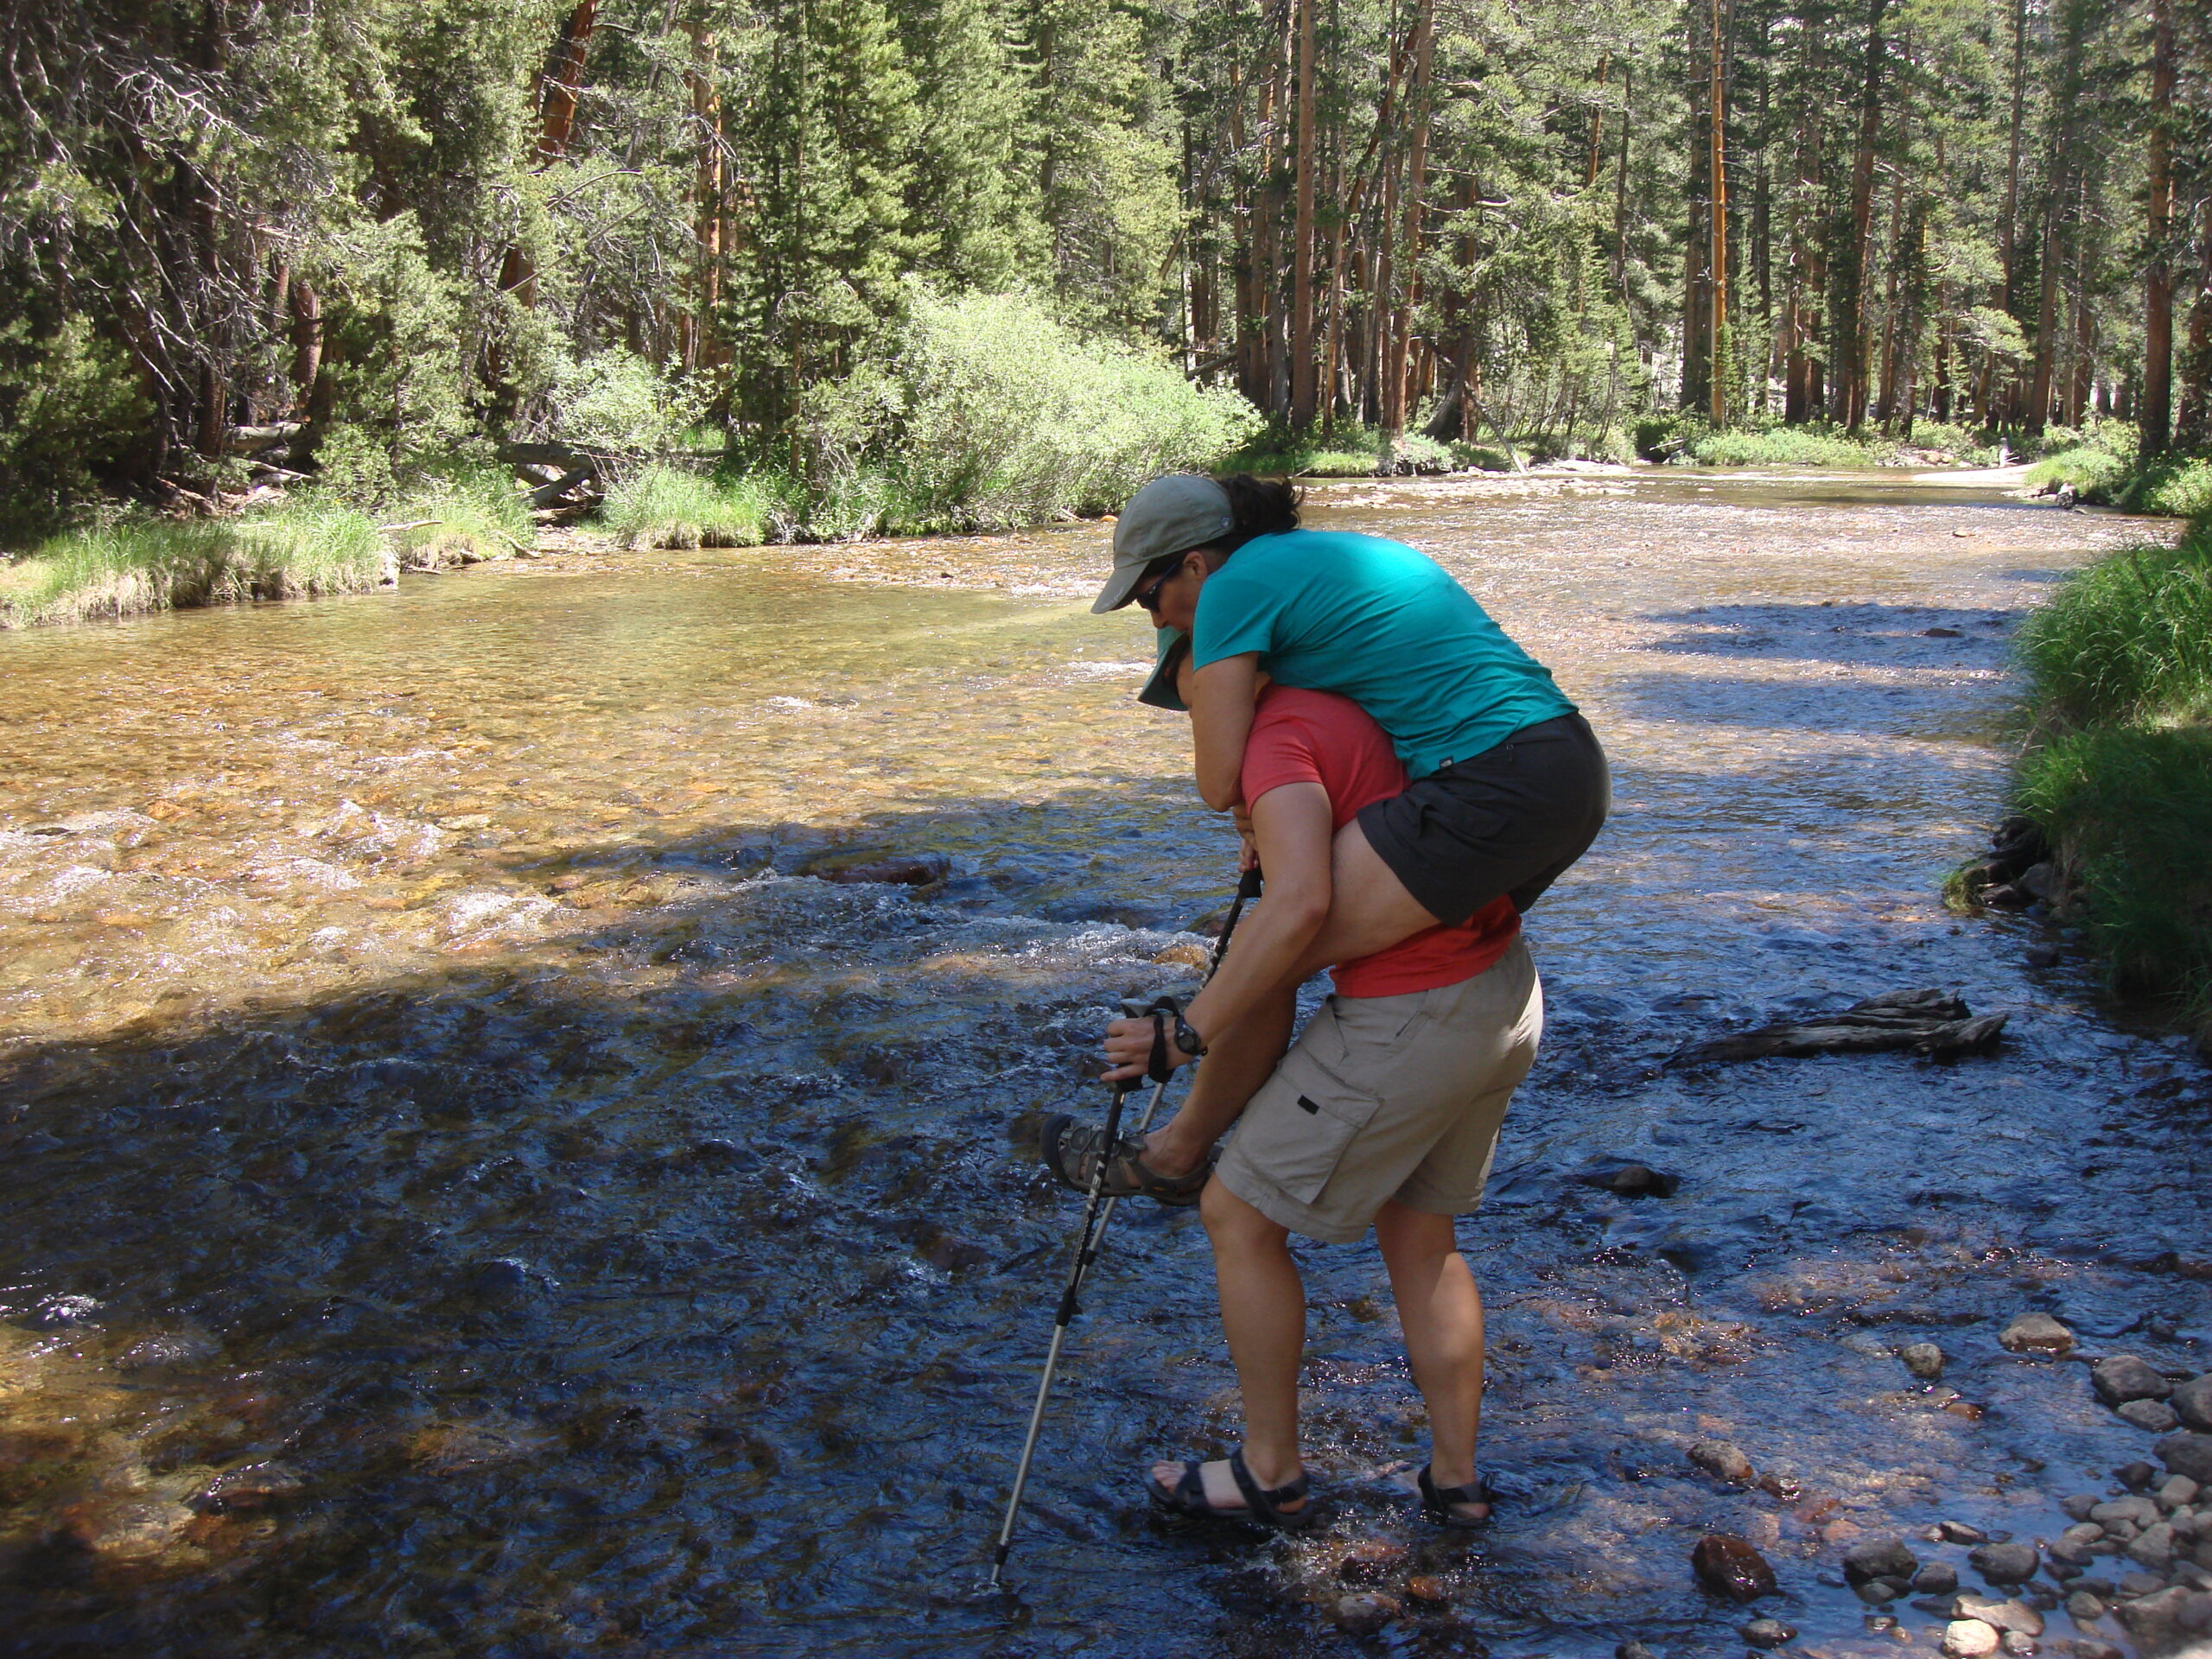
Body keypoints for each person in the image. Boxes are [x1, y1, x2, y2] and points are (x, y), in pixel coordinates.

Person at [1046, 638, 1541, 1529]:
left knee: (1236, 1214)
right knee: (1423, 1240)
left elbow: (1282, 961)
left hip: (1412, 1018)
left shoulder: (1277, 743)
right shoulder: (1348, 710)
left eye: (1191, 697)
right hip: (1500, 993)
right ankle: (1455, 1484)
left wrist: (1182, 1042)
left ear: (1231, 680)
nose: (1194, 723)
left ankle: (1270, 1470)